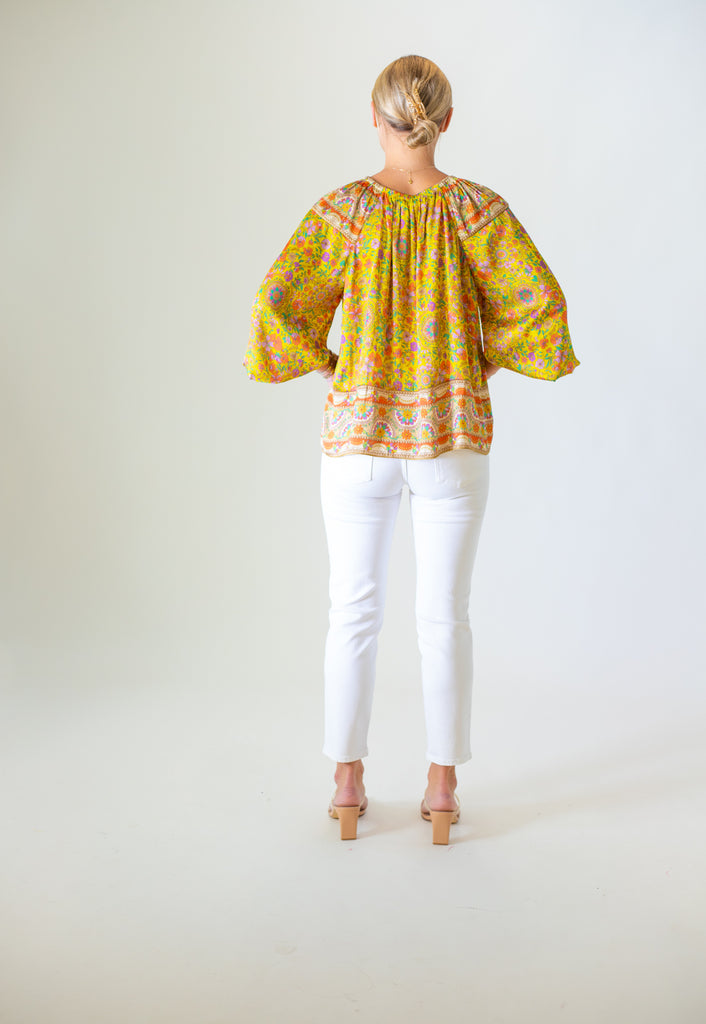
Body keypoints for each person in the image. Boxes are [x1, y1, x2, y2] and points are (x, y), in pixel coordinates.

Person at [243, 54, 579, 844]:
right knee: (445, 617)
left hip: (357, 438)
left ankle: (347, 782)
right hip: (450, 440)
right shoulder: (477, 212)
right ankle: (441, 788)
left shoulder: (345, 212)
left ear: (375, 117)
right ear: (446, 121)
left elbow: (276, 303)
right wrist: (480, 362)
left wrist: (332, 365)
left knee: (352, 612)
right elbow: (541, 303)